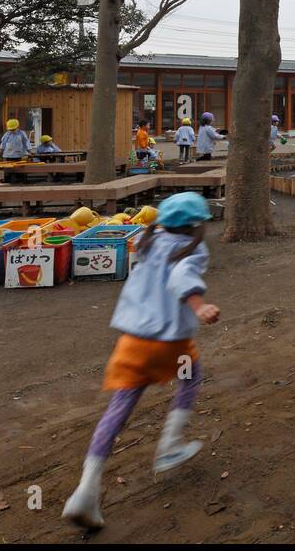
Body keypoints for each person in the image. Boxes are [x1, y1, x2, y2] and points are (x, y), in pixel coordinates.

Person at [61, 192, 220, 530]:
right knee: (191, 378)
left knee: (119, 408)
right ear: (195, 225)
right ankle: (170, 445)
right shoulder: (191, 248)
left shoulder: (148, 241)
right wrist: (199, 306)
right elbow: (181, 278)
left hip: (132, 341)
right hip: (169, 341)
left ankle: (86, 490)